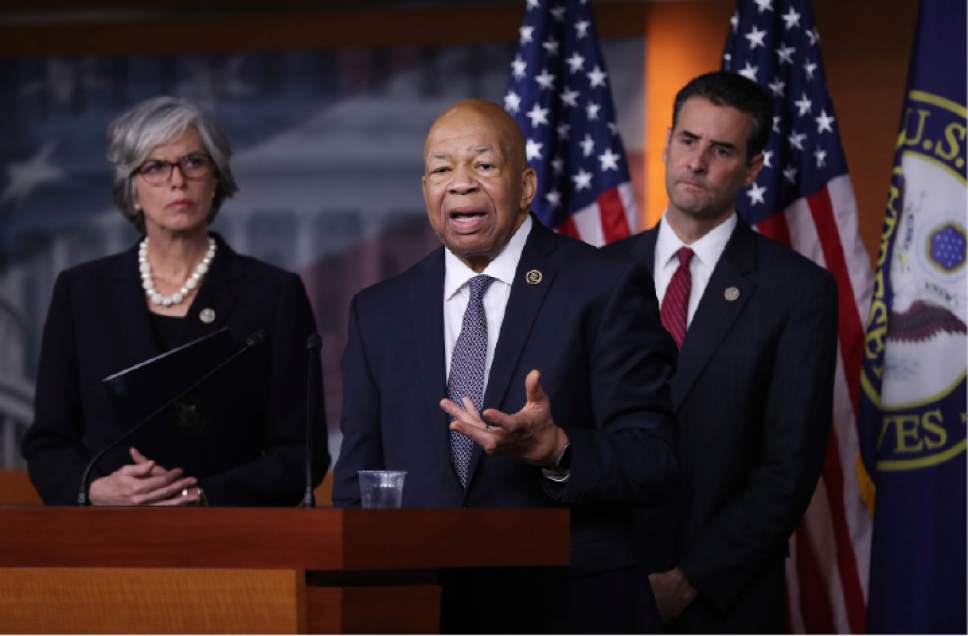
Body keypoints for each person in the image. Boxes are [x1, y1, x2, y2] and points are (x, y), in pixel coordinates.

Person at [332, 99, 678, 633]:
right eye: (442, 168)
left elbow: (654, 458)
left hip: (568, 607)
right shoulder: (378, 311)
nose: (461, 184)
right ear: (426, 190)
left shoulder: (603, 286)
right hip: (421, 610)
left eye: (484, 165)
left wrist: (556, 449)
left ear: (526, 185)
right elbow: (358, 484)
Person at [606, 71, 838, 632]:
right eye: (688, 141)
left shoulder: (798, 291)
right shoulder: (599, 274)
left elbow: (789, 468)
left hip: (724, 601)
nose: (697, 161)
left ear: (752, 169)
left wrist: (688, 582)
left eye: (722, 149)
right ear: (666, 145)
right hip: (604, 589)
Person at [21, 96, 329, 507]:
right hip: (108, 544)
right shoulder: (81, 293)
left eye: (194, 163)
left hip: (236, 543)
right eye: (155, 167)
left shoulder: (272, 294)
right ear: (132, 191)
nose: (177, 181)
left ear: (216, 179)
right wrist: (94, 490)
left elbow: (302, 454)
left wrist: (203, 495)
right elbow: (48, 444)